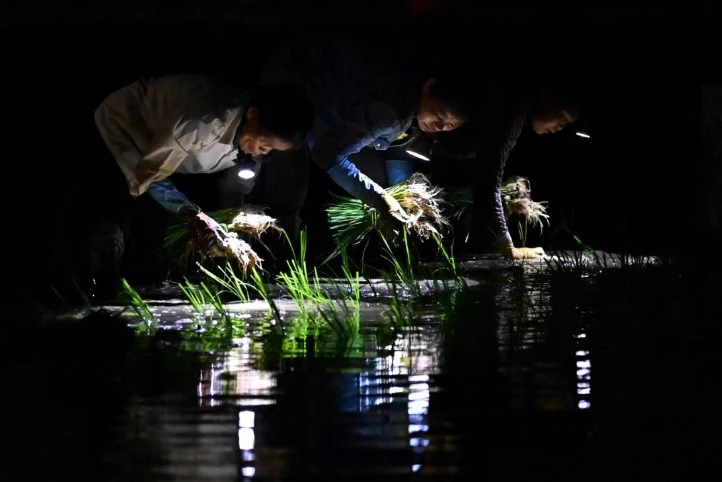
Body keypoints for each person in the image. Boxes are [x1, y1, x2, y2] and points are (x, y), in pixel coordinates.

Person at [89, 74, 314, 296]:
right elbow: (151, 174)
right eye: (265, 145)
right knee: (120, 214)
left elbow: (233, 186)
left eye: (271, 150)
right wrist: (192, 215)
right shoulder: (204, 121)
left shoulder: (247, 133)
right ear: (252, 115)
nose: (263, 152)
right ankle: (102, 289)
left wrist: (233, 227)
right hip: (123, 129)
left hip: (171, 155)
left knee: (164, 227)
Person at [257, 34, 478, 225]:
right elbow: (327, 152)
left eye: (449, 125)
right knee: (291, 180)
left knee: (375, 174)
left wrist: (401, 191)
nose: (439, 127)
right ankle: (279, 252)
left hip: (331, 95)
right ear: (429, 88)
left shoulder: (415, 106)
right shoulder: (391, 110)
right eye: (439, 116)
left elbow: (398, 149)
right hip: (293, 83)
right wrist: (380, 200)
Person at [428, 75, 581, 260]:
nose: (560, 126)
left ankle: (482, 245)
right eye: (562, 116)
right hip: (421, 132)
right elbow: (488, 178)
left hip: (431, 144)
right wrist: (506, 244)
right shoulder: (513, 109)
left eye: (566, 123)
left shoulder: (517, 113)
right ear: (546, 96)